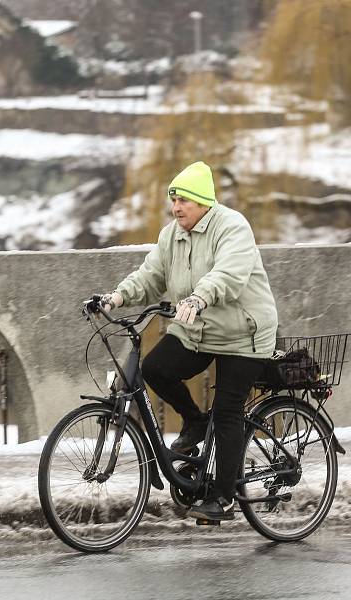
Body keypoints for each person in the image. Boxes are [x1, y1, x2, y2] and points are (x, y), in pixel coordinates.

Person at [99, 161, 278, 522]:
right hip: (199, 329)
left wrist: (199, 297)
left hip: (243, 333)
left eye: (183, 201)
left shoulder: (232, 227)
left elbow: (228, 273)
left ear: (203, 203)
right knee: (155, 368)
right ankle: (194, 422)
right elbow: (151, 275)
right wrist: (116, 297)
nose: (176, 207)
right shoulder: (172, 235)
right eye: (173, 200)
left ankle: (224, 498)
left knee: (228, 411)